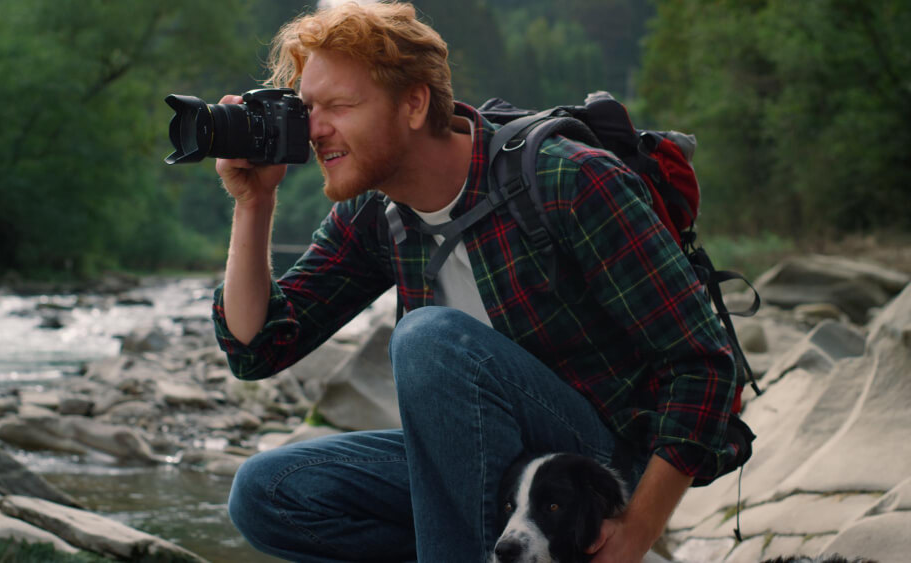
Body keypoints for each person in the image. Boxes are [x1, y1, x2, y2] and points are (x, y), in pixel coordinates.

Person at [212, 2, 740, 562]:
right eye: (308, 108)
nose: (314, 131)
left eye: (339, 106)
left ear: (414, 103)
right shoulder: (374, 216)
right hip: (489, 471)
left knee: (431, 340)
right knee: (267, 491)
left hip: (594, 470)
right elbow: (257, 348)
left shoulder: (568, 179)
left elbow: (705, 364)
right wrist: (254, 201)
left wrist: (637, 530)